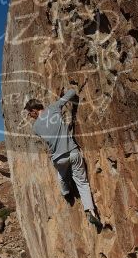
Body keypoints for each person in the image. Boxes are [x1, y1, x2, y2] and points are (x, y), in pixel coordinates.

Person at [25, 89, 102, 228]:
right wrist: (62, 95)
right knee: (82, 183)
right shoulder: (54, 107)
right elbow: (72, 92)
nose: (29, 116)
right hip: (72, 152)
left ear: (34, 109)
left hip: (59, 158)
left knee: (62, 176)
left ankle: (66, 192)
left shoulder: (35, 127)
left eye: (30, 112)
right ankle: (91, 210)